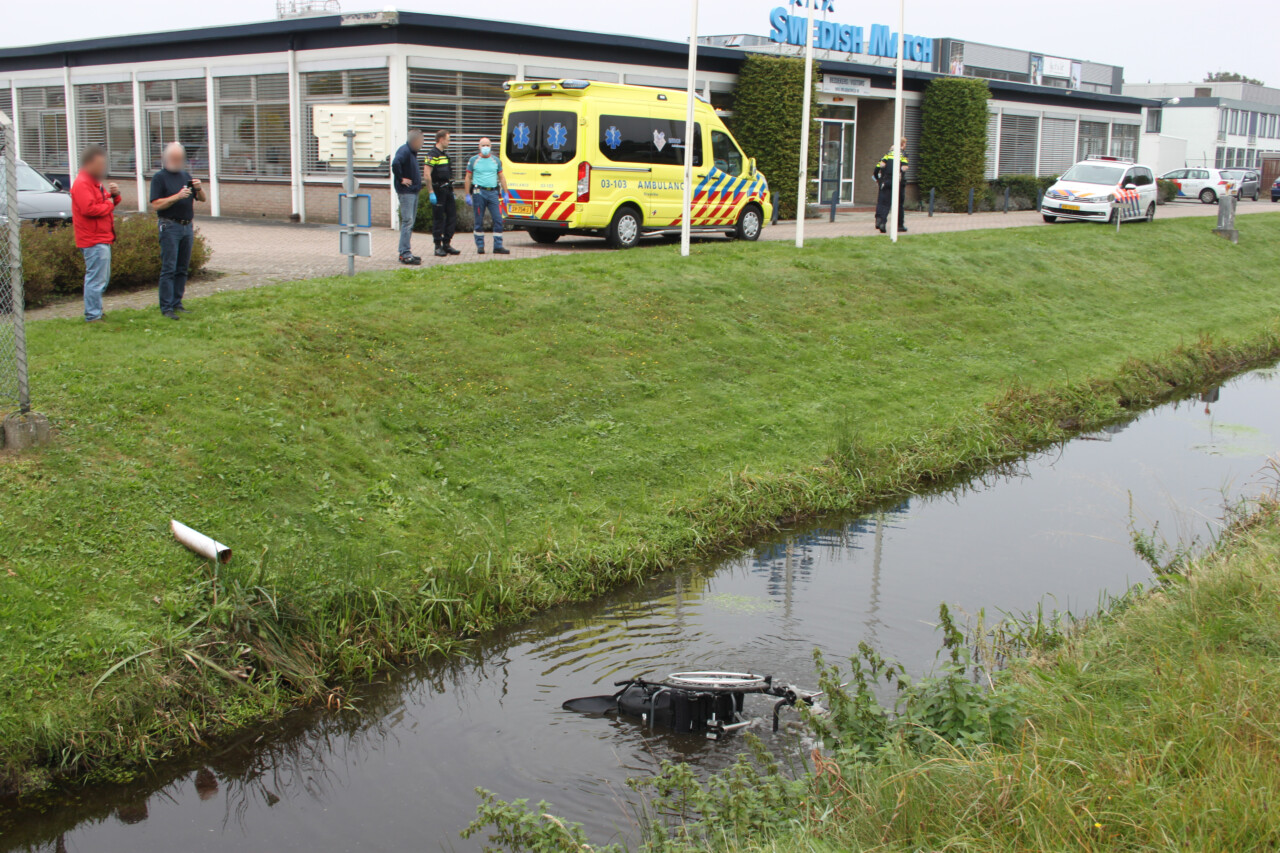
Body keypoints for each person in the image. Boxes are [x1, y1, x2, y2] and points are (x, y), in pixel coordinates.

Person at [149, 143, 206, 320]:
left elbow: (202, 199)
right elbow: (156, 204)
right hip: (169, 226)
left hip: (186, 226)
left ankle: (177, 303)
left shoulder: (185, 175)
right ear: (166, 158)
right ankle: (166, 307)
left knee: (182, 268)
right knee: (169, 268)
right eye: (174, 158)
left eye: (180, 158)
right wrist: (177, 197)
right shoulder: (159, 178)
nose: (177, 161)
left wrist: (199, 188)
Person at [70, 145, 121, 323]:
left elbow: (106, 200)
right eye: (100, 164)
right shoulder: (82, 183)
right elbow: (89, 209)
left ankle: (96, 311)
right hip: (92, 239)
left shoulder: (94, 182)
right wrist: (109, 204)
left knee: (102, 279)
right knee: (96, 279)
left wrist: (115, 195)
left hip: (102, 237)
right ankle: (93, 315)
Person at [464, 137, 510, 255]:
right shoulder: (474, 160)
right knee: (479, 220)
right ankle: (480, 246)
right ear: (479, 147)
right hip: (479, 193)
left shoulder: (496, 160)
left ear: (491, 146)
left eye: (487, 145)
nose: (485, 148)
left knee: (498, 219)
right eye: (483, 145)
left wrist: (506, 192)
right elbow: (468, 177)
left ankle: (498, 246)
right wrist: (467, 194)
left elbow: (501, 177)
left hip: (493, 193)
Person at [391, 129, 424, 265]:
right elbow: (395, 163)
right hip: (407, 192)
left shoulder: (411, 153)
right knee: (407, 221)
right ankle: (404, 253)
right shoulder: (404, 151)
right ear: (414, 141)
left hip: (413, 191)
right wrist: (401, 179)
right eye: (421, 141)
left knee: (410, 222)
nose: (422, 144)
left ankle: (406, 251)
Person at [425, 130, 459, 257]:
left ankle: (447, 244)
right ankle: (437, 246)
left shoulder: (444, 154)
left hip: (447, 190)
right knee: (439, 219)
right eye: (448, 139)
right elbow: (427, 174)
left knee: (452, 217)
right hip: (438, 190)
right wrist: (431, 192)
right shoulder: (432, 154)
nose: (449, 142)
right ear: (440, 139)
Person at [873, 137, 909, 234]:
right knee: (899, 204)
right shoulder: (903, 155)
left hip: (885, 181)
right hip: (898, 182)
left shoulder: (887, 155)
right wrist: (900, 172)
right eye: (905, 144)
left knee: (883, 202)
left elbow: (878, 167)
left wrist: (878, 179)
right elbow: (905, 167)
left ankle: (881, 221)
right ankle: (899, 225)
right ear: (901, 145)